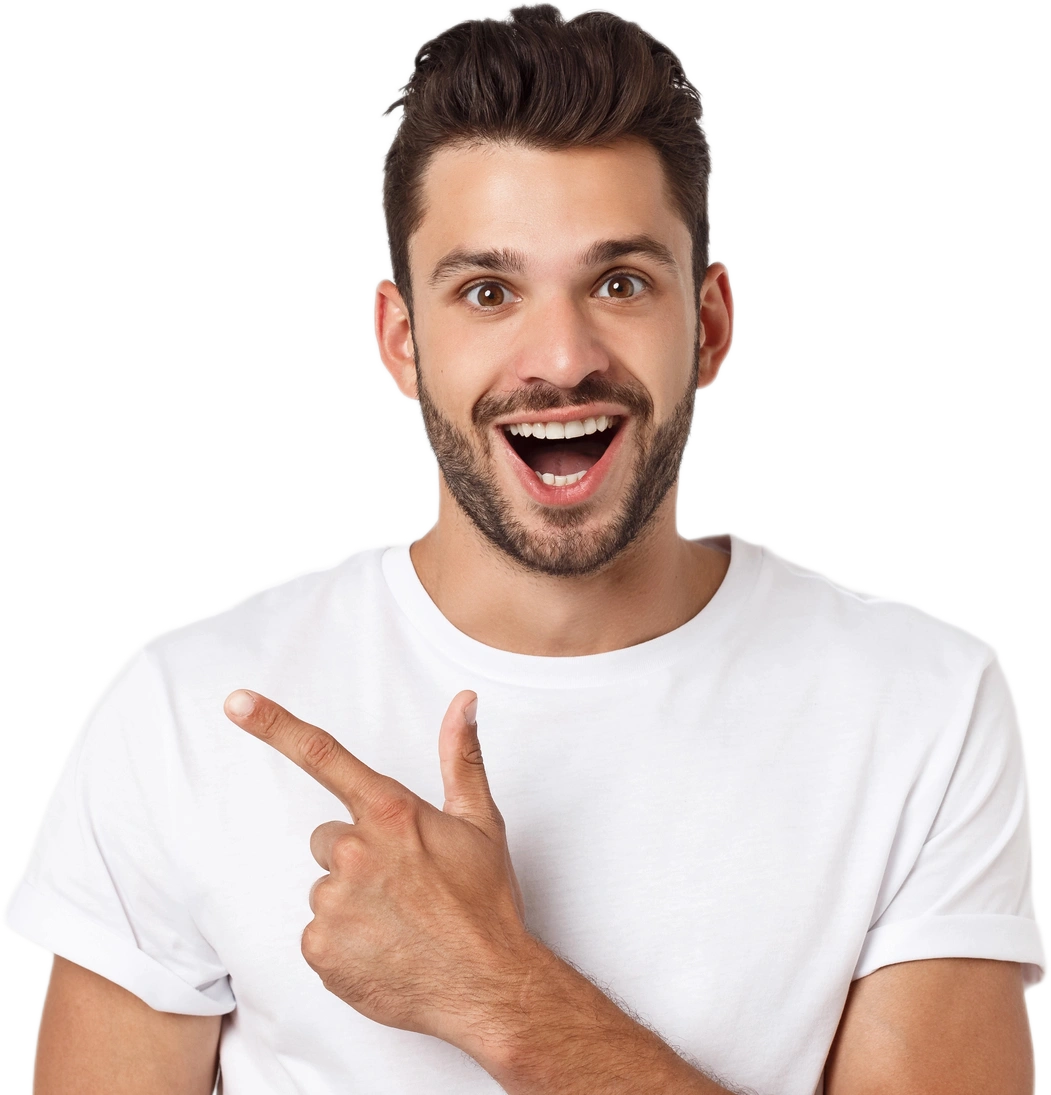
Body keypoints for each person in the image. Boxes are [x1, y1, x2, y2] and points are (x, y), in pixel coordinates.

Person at [5, 5, 1044, 1094]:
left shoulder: (922, 703)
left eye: (619, 282)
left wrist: (493, 989)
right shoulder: (190, 705)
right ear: (402, 340)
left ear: (710, 324)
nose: (560, 357)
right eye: (488, 292)